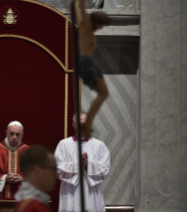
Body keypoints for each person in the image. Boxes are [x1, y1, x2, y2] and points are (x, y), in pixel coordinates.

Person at [55, 112, 110, 212]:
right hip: (70, 193)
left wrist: (87, 165)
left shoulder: (99, 145)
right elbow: (57, 168)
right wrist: (77, 164)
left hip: (92, 193)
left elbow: (105, 170)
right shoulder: (63, 145)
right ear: (74, 125)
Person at [75, 0, 110, 138]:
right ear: (97, 22)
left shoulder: (89, 27)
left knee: (104, 93)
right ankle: (88, 124)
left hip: (89, 62)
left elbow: (78, 10)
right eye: (102, 24)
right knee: (103, 93)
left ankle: (88, 123)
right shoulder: (86, 24)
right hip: (86, 63)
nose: (102, 28)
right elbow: (81, 8)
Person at [0, 121, 29, 200]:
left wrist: (22, 178)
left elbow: (37, 173)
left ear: (22, 135)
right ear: (6, 133)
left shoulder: (30, 152)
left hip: (23, 198)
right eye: (11, 133)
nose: (14, 137)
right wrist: (4, 178)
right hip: (0, 198)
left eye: (17, 134)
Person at [14, 145, 57, 212]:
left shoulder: (23, 204)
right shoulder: (35, 208)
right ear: (37, 171)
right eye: (53, 169)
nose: (57, 175)